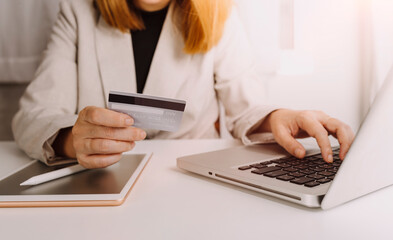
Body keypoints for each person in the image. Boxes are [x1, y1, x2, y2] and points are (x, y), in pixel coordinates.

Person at [12, 0, 354, 169]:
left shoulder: (219, 12)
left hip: (192, 177)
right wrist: (72, 139)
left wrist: (277, 117)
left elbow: (245, 109)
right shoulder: (78, 11)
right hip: (100, 181)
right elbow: (32, 115)